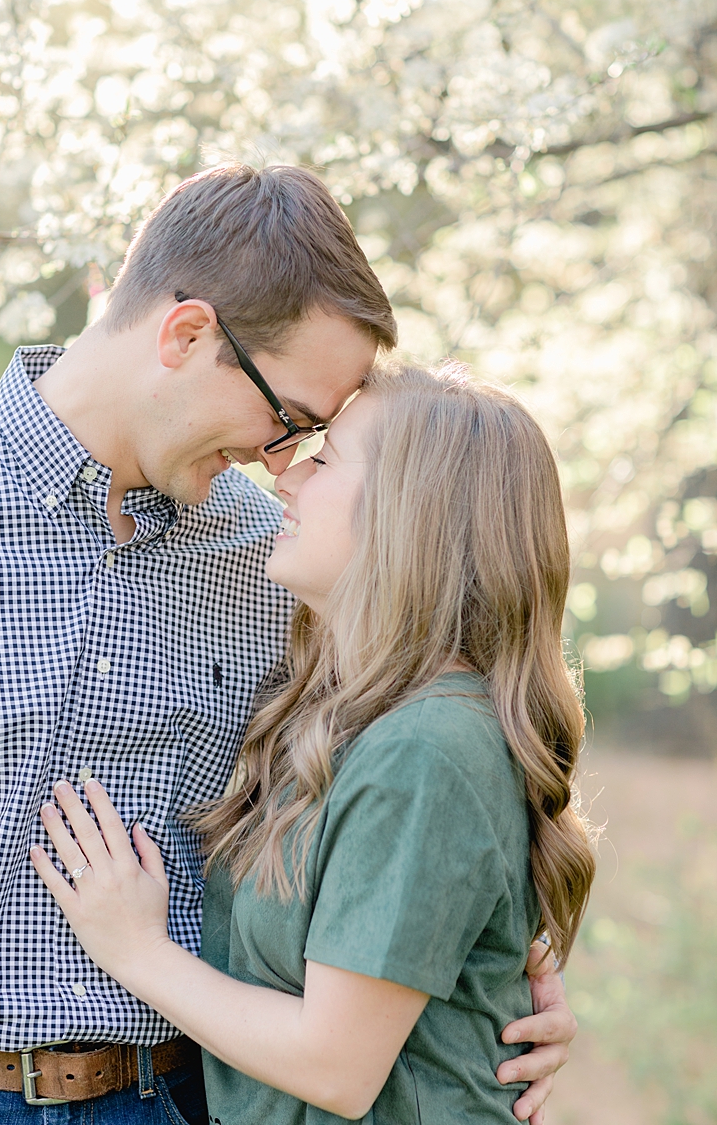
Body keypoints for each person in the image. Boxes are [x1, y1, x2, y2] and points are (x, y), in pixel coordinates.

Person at [32, 362, 596, 1125]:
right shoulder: (358, 715)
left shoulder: (427, 746)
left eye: (324, 459)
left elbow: (335, 1066)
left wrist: (135, 950)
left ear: (409, 512)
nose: (286, 480)